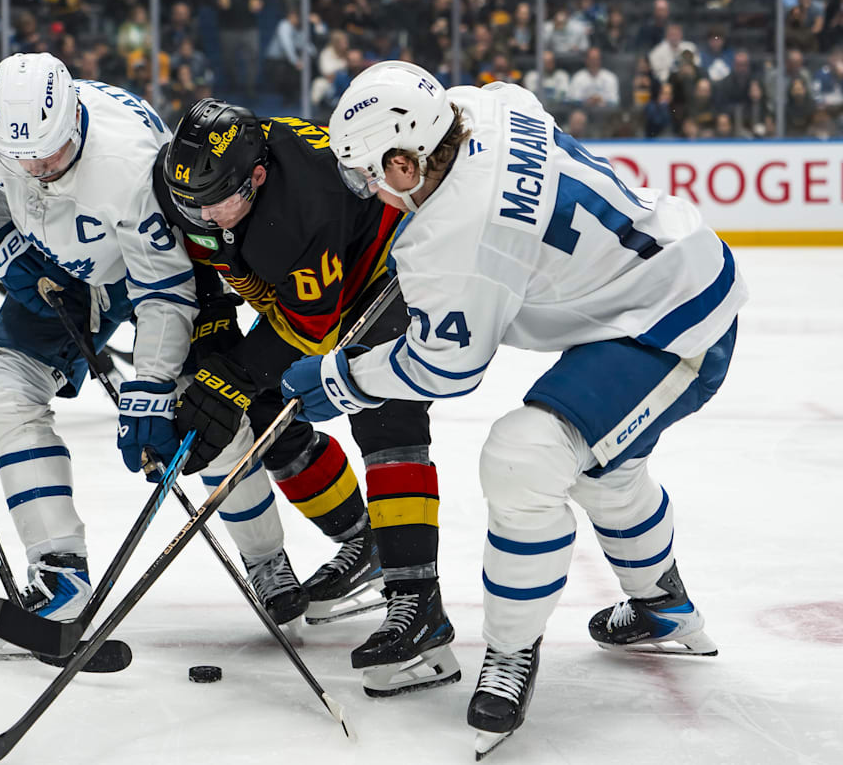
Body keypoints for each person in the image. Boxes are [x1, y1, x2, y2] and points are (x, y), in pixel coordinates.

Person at [287, 60, 744, 755]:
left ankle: (511, 653)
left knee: (523, 458)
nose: (366, 189)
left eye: (370, 174)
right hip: (669, 273)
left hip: (670, 322)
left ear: (408, 164)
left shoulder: (460, 238)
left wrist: (344, 378)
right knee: (604, 471)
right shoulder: (484, 105)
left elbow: (445, 366)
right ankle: (665, 607)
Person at [0, 53, 298, 657]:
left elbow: (164, 289)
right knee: (1, 395)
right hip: (58, 269)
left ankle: (268, 560)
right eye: (20, 158)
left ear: (76, 122)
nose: (35, 169)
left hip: (150, 275)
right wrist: (6, 250)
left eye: (50, 156)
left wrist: (152, 388)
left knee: (202, 416)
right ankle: (62, 576)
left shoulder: (128, 166)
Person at [157, 100, 459, 695]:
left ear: (259, 176)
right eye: (189, 199)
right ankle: (361, 541)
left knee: (385, 414)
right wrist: (217, 325)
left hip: (387, 273)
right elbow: (193, 253)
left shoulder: (303, 208)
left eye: (215, 201)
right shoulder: (196, 178)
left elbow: (310, 331)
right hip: (311, 281)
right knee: (270, 413)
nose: (201, 213)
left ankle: (418, 606)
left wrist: (231, 375)